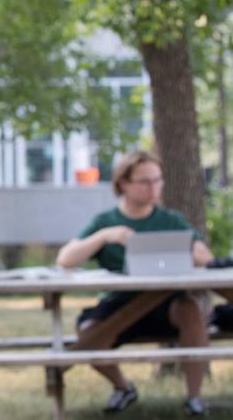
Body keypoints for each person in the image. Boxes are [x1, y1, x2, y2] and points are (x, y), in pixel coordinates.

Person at [55, 151, 213, 416]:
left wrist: (173, 252)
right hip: (118, 304)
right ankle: (123, 387)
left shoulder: (169, 220)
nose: (153, 188)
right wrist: (105, 237)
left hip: (166, 305)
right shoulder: (106, 221)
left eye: (157, 180)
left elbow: (205, 257)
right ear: (124, 184)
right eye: (145, 181)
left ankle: (194, 399)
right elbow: (65, 259)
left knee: (192, 310)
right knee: (89, 331)